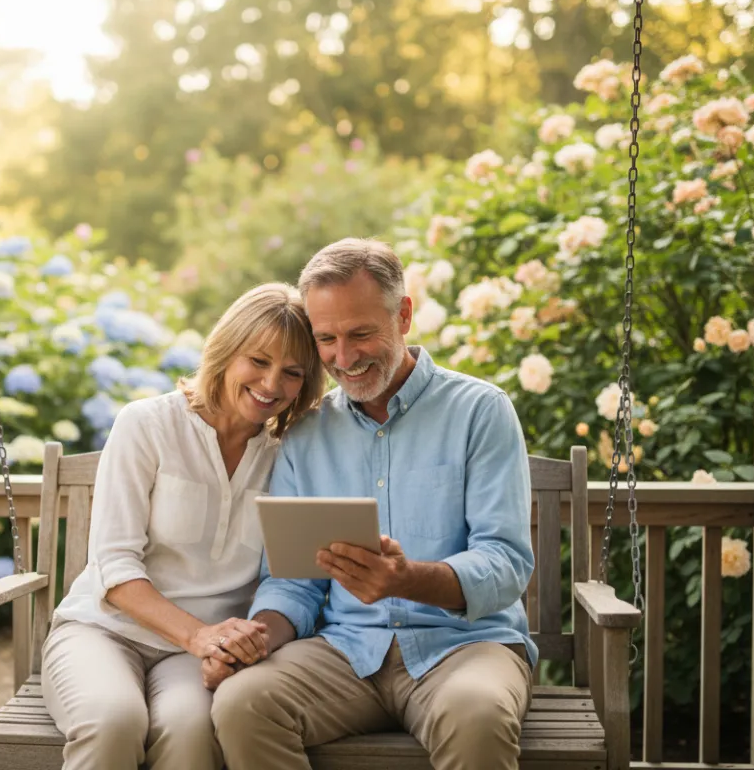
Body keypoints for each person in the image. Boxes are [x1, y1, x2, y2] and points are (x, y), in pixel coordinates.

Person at [209, 238, 537, 770]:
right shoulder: (307, 432)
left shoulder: (480, 412)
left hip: (465, 649)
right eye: (327, 339)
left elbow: (505, 563)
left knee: (477, 714)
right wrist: (255, 638)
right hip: (344, 652)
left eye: (362, 333)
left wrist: (408, 578)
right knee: (243, 704)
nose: (345, 358)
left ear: (403, 315)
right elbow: (291, 580)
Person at [41, 282, 327, 770]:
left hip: (197, 656)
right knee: (113, 721)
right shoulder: (147, 424)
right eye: (258, 361)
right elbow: (114, 564)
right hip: (103, 632)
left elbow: (288, 578)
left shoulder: (289, 455)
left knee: (191, 731)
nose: (272, 384)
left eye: (292, 372)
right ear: (225, 351)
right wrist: (199, 636)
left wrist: (231, 644)